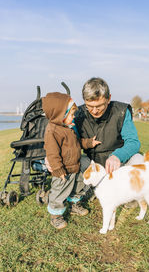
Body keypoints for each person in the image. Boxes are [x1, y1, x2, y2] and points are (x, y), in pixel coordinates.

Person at [75, 77, 143, 207]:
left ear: (108, 98)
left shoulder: (122, 111)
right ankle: (87, 190)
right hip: (92, 165)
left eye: (99, 106)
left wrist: (117, 156)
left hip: (118, 165)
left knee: (139, 158)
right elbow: (69, 143)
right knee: (74, 159)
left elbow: (134, 142)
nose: (94, 111)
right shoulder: (77, 114)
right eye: (89, 106)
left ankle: (129, 196)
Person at [42, 92, 93, 230]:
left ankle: (75, 205)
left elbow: (76, 143)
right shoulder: (52, 131)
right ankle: (56, 216)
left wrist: (88, 143)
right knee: (59, 191)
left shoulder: (68, 128)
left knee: (78, 185)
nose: (73, 117)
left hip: (75, 166)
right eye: (71, 114)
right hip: (63, 169)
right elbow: (52, 153)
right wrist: (58, 169)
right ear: (60, 115)